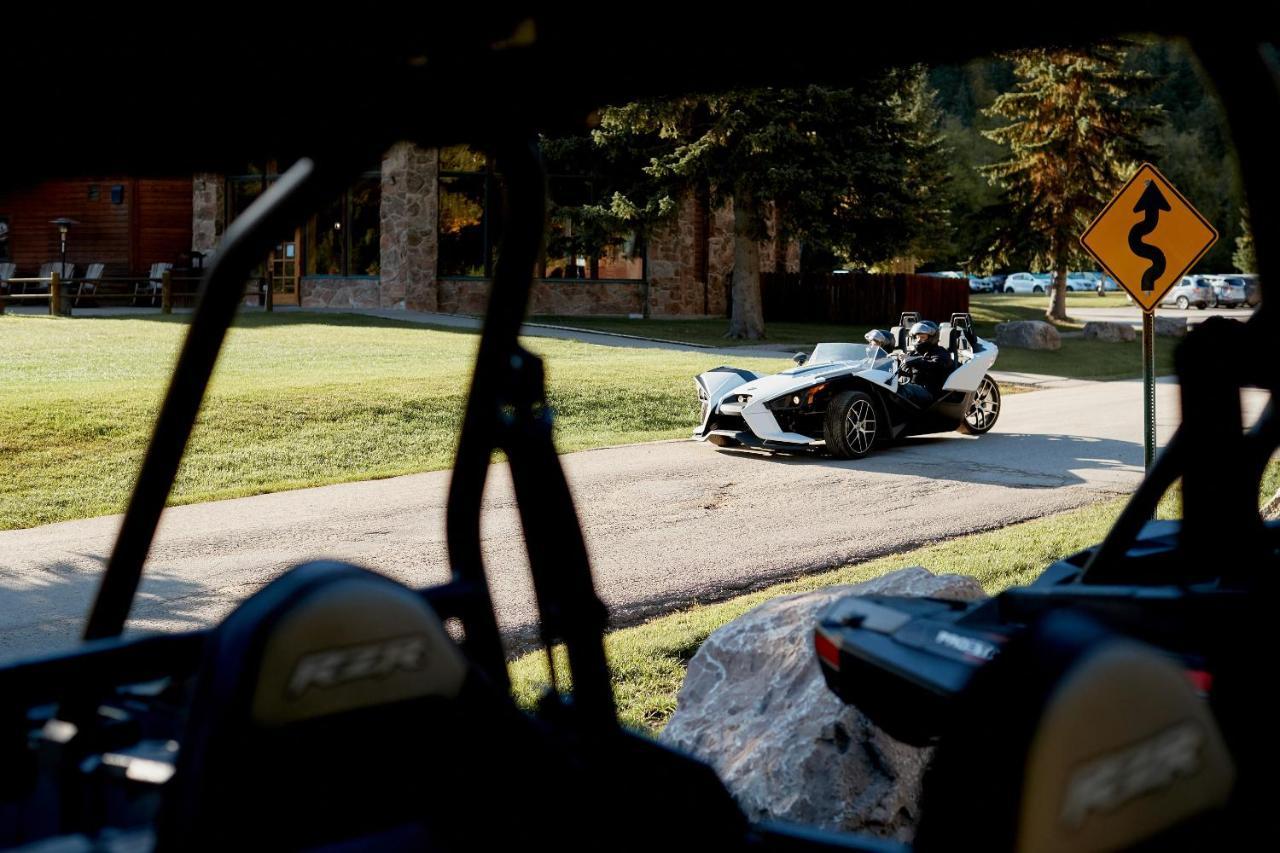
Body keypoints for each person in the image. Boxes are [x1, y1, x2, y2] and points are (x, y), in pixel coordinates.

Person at [894, 320, 952, 407]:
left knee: (902, 389)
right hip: (913, 386)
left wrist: (914, 361)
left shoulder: (941, 353)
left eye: (922, 337)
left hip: (929, 391)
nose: (919, 340)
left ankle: (898, 418)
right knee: (888, 387)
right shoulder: (914, 353)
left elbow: (936, 365)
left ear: (932, 338)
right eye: (917, 337)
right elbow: (904, 365)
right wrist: (896, 359)